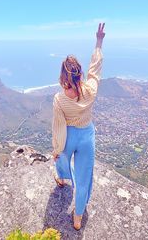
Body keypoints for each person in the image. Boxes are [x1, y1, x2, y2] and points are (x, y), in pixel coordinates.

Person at [51, 22, 105, 230]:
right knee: (84, 177)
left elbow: (58, 126)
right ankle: (78, 217)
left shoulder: (59, 99)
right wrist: (99, 42)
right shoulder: (89, 90)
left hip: (69, 135)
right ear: (79, 75)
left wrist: (56, 148)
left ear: (63, 77)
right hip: (87, 135)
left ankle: (62, 178)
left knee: (62, 156)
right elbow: (95, 70)